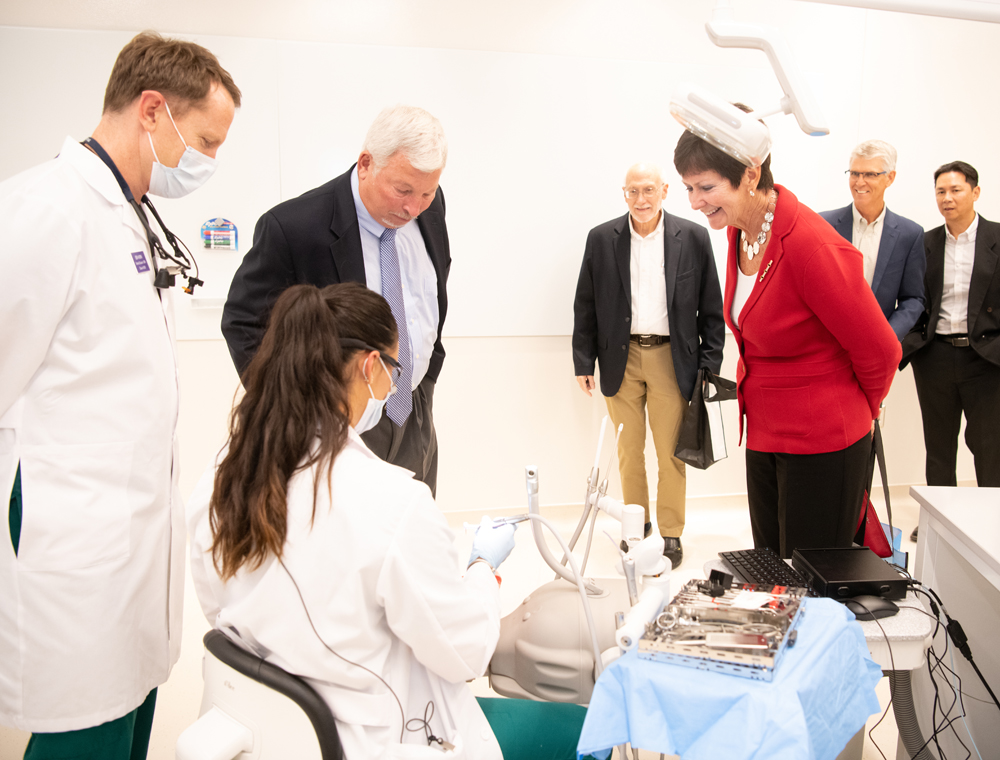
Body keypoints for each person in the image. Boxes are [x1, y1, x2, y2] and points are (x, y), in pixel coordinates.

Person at [189, 283, 593, 760]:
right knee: (586, 727)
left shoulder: (223, 474)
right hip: (372, 742)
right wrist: (483, 566)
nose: (391, 389)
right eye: (392, 371)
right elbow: (464, 653)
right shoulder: (392, 502)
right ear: (368, 365)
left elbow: (221, 611)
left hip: (275, 737)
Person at [0, 32, 239, 759]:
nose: (208, 162)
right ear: (152, 108)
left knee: (127, 711)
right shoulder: (47, 208)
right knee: (84, 727)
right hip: (76, 537)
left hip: (131, 534)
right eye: (204, 140)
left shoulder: (129, 211)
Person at [672, 108, 900, 559]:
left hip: (823, 440)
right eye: (688, 189)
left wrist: (857, 412)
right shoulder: (740, 230)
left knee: (810, 580)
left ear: (750, 174)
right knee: (772, 569)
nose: (694, 202)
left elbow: (881, 350)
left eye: (706, 187)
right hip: (765, 431)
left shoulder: (812, 246)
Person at [222, 105, 450, 495]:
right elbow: (243, 322)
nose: (413, 208)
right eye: (403, 190)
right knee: (347, 542)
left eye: (427, 192)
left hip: (413, 410)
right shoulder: (293, 227)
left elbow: (425, 299)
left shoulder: (429, 209)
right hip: (336, 421)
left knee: (412, 530)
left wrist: (422, 382)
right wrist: (298, 409)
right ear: (365, 164)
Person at [572, 163, 725, 569]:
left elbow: (712, 309)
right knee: (628, 451)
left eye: (648, 191)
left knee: (671, 451)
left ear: (664, 191)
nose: (641, 200)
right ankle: (634, 528)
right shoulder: (602, 239)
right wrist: (583, 360)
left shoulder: (692, 237)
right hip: (619, 358)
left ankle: (671, 534)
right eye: (633, 192)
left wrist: (709, 367)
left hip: (672, 359)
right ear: (624, 194)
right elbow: (585, 304)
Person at [901, 162, 1000, 539]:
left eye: (956, 190)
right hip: (936, 355)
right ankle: (939, 523)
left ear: (975, 192)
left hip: (986, 359)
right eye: (941, 191)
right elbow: (912, 299)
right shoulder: (925, 243)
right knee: (938, 447)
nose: (947, 198)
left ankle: (992, 524)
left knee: (990, 446)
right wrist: (910, 345)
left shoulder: (997, 238)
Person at [819, 140, 926, 339]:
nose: (859, 182)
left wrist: (888, 336)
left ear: (890, 178)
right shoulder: (823, 225)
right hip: (826, 343)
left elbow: (912, 298)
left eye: (870, 174)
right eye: (854, 173)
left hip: (877, 345)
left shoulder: (910, 234)